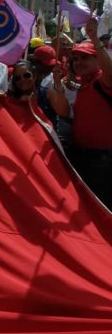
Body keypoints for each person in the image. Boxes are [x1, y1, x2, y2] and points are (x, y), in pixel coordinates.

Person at [65, 18, 112, 210]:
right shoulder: (83, 85)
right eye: (75, 58)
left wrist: (94, 39)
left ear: (97, 60)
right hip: (82, 159)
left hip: (103, 163)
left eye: (85, 57)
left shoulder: (103, 81)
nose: (78, 62)